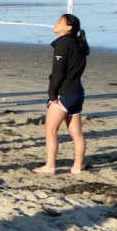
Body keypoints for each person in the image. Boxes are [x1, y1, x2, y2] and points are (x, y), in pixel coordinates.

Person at [34, 14, 89, 175]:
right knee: (77, 133)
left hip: (64, 94)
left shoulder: (63, 43)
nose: (55, 23)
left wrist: (52, 95)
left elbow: (57, 73)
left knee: (50, 130)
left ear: (68, 27)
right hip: (77, 93)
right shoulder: (78, 43)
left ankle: (50, 166)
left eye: (59, 22)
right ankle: (77, 167)